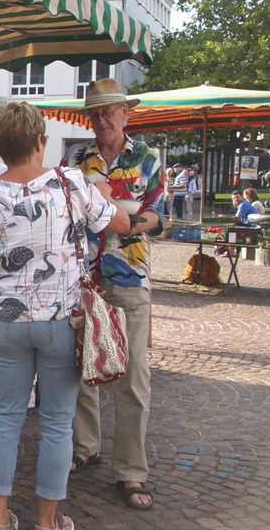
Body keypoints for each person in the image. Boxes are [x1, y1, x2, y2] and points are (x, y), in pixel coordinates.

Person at [0, 102, 130, 530]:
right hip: (62, 322)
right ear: (40, 141)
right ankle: (47, 522)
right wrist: (109, 199)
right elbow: (120, 224)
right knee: (56, 423)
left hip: (7, 325)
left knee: (8, 416)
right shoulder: (70, 183)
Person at [63, 78, 164, 512]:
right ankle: (85, 446)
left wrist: (120, 216)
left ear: (126, 113)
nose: (102, 120)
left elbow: (160, 219)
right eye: (95, 113)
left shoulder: (147, 158)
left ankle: (131, 470)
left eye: (110, 111)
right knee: (80, 368)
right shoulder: (75, 159)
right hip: (82, 279)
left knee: (134, 378)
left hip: (130, 278)